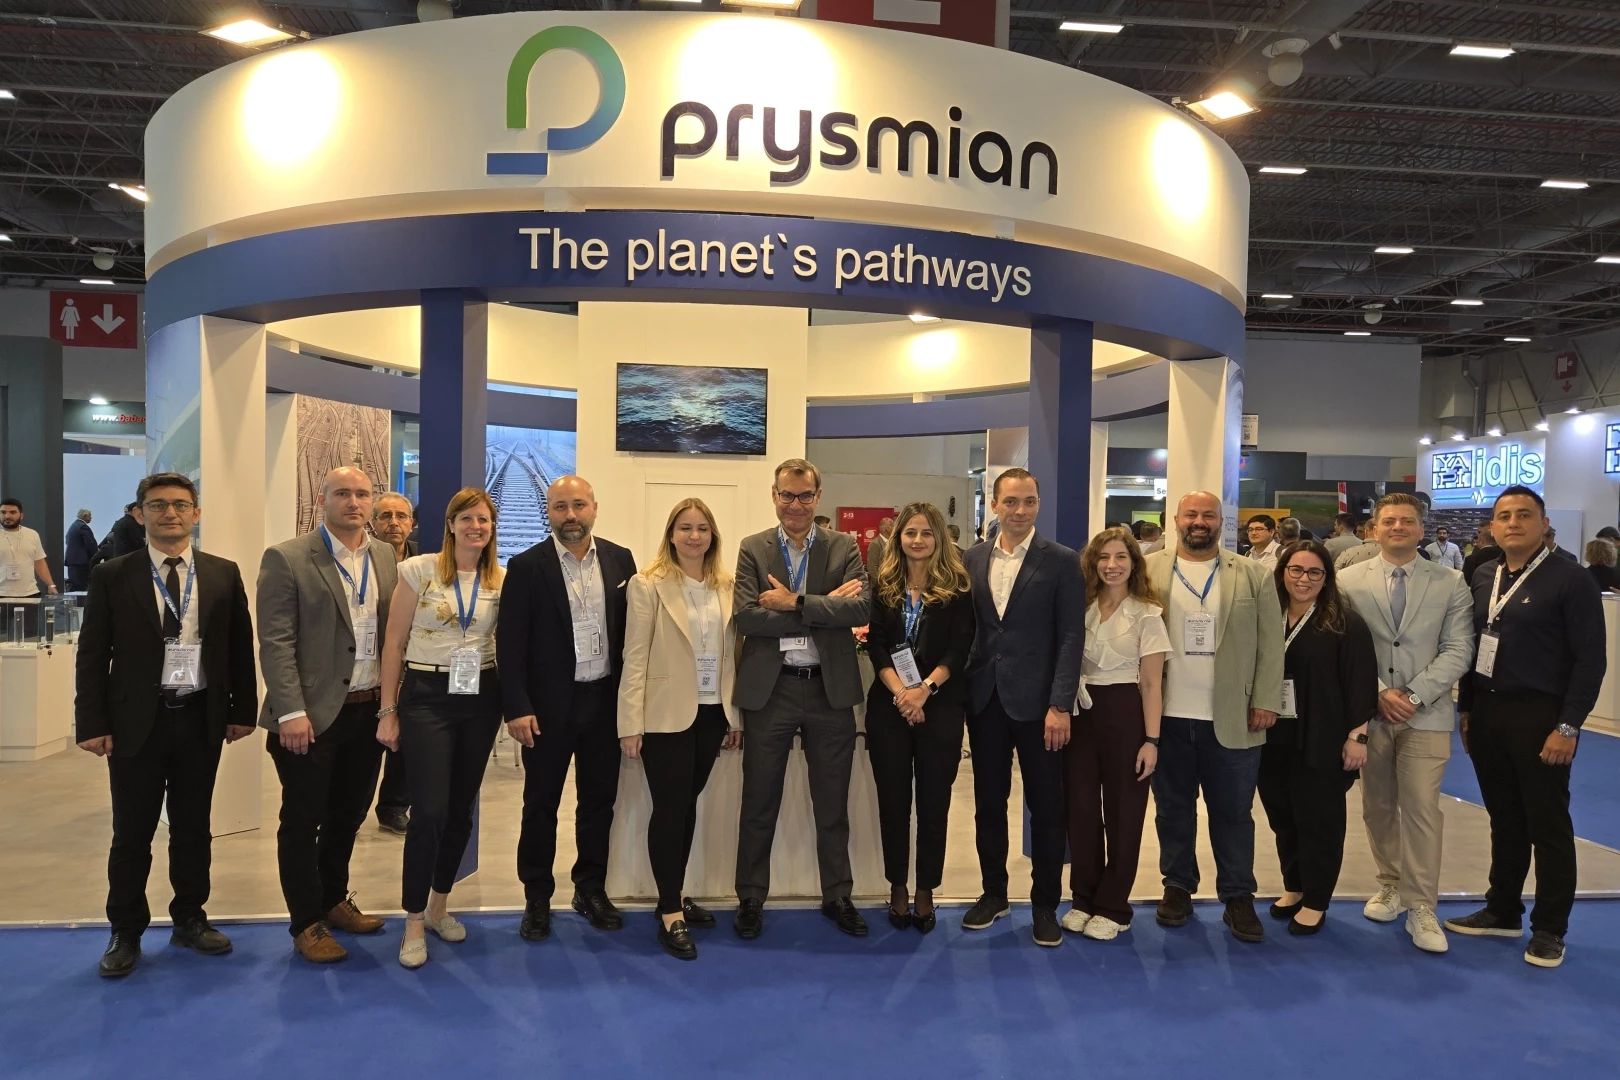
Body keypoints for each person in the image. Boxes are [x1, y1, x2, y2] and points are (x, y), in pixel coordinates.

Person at [73, 473, 257, 978]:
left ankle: (190, 917)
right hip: (136, 723)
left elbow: (239, 647)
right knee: (131, 832)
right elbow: (93, 655)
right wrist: (90, 722)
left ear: (196, 513)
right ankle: (125, 930)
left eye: (180, 504)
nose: (169, 513)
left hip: (200, 718)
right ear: (139, 514)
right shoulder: (113, 574)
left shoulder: (222, 573)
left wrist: (242, 710)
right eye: (157, 505)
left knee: (194, 827)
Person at [1449, 486, 1606, 968]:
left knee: (1548, 824)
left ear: (1544, 524)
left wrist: (1568, 725)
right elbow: (1475, 646)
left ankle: (1550, 928)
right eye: (1504, 516)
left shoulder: (1571, 579)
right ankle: (1502, 909)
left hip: (1541, 716)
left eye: (1523, 515)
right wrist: (1467, 709)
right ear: (1492, 527)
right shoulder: (1483, 573)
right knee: (1504, 819)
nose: (1512, 523)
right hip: (1488, 713)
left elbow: (1590, 661)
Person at [256, 467, 399, 963]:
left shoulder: (385, 556)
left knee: (349, 815)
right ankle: (306, 922)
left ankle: (334, 899)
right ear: (323, 500)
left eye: (362, 494)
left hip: (367, 710)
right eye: (343, 494)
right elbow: (275, 642)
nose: (353, 502)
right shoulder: (287, 557)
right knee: (303, 820)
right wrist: (291, 710)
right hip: (310, 717)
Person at [732, 459, 870, 939]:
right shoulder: (753, 548)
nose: (795, 504)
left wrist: (793, 602)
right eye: (787, 495)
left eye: (804, 495)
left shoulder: (843, 545)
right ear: (774, 495)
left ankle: (838, 896)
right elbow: (748, 617)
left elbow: (860, 608)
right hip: (772, 690)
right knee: (758, 801)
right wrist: (825, 608)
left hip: (830, 690)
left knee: (832, 803)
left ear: (818, 496)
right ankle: (751, 897)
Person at [499, 475, 637, 942]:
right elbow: (510, 644)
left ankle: (589, 888)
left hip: (605, 702)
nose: (571, 515)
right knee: (541, 804)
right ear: (549, 511)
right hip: (546, 710)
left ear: (594, 507)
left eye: (578, 505)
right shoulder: (526, 566)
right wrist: (516, 707)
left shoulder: (621, 559)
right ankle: (537, 896)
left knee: (598, 803)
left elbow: (632, 636)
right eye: (560, 507)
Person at [1338, 494, 1475, 954]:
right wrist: (1378, 692)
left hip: (1427, 714)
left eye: (1407, 521)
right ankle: (1390, 883)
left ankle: (1421, 906)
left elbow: (1459, 648)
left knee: (1421, 809)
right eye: (1389, 521)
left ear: (1421, 529)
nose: (1398, 527)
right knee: (1377, 806)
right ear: (1374, 529)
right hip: (1369, 715)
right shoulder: (1347, 581)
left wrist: (1414, 695)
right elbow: (1342, 644)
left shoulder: (1451, 582)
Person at [1145, 491, 1284, 943]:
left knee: (1234, 813)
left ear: (1222, 522)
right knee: (1172, 810)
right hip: (1165, 717)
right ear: (1175, 519)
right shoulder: (1147, 569)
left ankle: (1238, 895)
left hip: (1235, 716)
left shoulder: (1253, 574)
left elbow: (1271, 643)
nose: (1199, 521)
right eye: (1191, 514)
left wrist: (1266, 699)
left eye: (1208, 514)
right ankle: (1177, 886)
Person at [377, 488, 504, 969]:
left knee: (458, 813)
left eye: (484, 520)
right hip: (427, 697)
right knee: (428, 812)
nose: (476, 527)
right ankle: (412, 920)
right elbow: (393, 643)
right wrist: (388, 711)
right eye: (466, 518)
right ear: (450, 524)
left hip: (481, 698)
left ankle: (437, 907)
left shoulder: (501, 579)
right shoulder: (419, 570)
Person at [960, 468, 1084, 946]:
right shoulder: (971, 559)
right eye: (1010, 501)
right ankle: (994, 893)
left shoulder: (1062, 561)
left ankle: (1045, 904)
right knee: (988, 804)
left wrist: (1060, 704)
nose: (1020, 510)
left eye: (1029, 501)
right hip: (985, 700)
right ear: (994, 504)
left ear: (1038, 504)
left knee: (1047, 808)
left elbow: (1071, 635)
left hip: (1041, 706)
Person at [618, 498, 741, 960]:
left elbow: (734, 656)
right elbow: (635, 656)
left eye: (702, 528)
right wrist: (630, 722)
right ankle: (670, 910)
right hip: (665, 715)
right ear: (671, 534)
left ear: (713, 536)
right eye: (685, 527)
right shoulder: (647, 584)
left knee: (686, 806)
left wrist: (734, 717)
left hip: (712, 714)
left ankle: (674, 893)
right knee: (670, 809)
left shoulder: (727, 585)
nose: (694, 536)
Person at [865, 502, 975, 934]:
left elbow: (960, 648)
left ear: (939, 539)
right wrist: (902, 694)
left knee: (934, 804)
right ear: (899, 538)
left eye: (926, 532)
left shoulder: (958, 588)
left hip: (940, 706)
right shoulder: (883, 585)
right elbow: (876, 646)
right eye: (910, 532)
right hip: (889, 706)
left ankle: (926, 889)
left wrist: (924, 690)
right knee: (893, 803)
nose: (917, 540)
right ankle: (897, 886)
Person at [1258, 541, 1377, 936]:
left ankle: (1316, 900)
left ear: (1327, 578)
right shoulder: (1267, 615)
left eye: (1314, 572)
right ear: (1282, 573)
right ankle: (1294, 886)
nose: (1303, 579)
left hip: (1322, 738)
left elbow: (1360, 683)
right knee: (1282, 817)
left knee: (1319, 821)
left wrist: (1358, 736)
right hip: (1272, 735)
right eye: (1295, 570)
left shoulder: (1344, 623)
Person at [1062, 527, 1166, 941]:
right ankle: (1084, 897)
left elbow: (1152, 683)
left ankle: (1114, 905)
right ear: (1093, 563)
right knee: (1082, 810)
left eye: (1121, 556)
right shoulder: (1082, 607)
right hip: (1081, 715)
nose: (1112, 565)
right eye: (1104, 557)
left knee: (1124, 813)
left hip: (1126, 714)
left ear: (1134, 563)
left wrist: (1151, 741)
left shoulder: (1147, 613)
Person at [371, 492, 417, 836]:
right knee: (369, 743)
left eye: (401, 516)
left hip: (411, 662)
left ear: (412, 523)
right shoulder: (366, 560)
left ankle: (393, 806)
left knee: (406, 743)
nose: (394, 523)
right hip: (369, 661)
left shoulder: (423, 561)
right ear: (373, 523)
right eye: (385, 516)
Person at [0, 498, 57, 633]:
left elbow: (39, 562)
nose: (7, 516)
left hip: (29, 595)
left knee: (30, 638)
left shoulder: (32, 535)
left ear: (21, 515)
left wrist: (51, 585)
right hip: (2, 595)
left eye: (12, 512)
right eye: (3, 512)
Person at [92, 501, 145, 569]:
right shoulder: (131, 523)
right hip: (130, 559)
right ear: (134, 510)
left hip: (120, 558)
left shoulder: (119, 522)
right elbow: (138, 542)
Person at [65, 508, 96, 592]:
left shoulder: (73, 526)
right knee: (82, 588)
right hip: (81, 563)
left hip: (72, 562)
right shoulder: (83, 527)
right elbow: (90, 544)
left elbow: (67, 540)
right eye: (90, 516)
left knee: (75, 587)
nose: (91, 518)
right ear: (85, 516)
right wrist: (96, 557)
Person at [865, 515, 895, 581]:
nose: (895, 529)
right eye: (893, 526)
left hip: (893, 582)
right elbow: (872, 568)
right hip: (881, 584)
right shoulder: (875, 544)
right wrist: (882, 582)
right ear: (887, 529)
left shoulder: (893, 542)